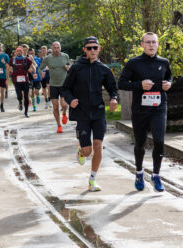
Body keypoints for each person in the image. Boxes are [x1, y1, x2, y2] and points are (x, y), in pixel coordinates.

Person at [62, 36, 118, 191]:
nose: (92, 50)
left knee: (98, 145)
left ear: (99, 49)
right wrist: (71, 99)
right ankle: (81, 151)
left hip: (98, 112)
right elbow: (65, 88)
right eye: (89, 48)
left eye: (95, 47)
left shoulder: (104, 69)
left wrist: (114, 99)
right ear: (84, 50)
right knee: (88, 151)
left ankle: (92, 181)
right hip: (82, 113)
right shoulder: (76, 68)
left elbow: (113, 88)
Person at [118, 32, 172, 192]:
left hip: (158, 108)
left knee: (160, 141)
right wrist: (139, 85)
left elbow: (169, 78)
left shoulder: (164, 62)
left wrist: (169, 84)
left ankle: (156, 175)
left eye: (154, 42)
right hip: (140, 110)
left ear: (157, 44)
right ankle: (139, 172)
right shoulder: (133, 63)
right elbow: (121, 83)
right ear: (142, 44)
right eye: (147, 42)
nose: (151, 45)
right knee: (140, 143)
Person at [39, 41, 70, 133]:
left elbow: (70, 65)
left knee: (64, 104)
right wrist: (42, 73)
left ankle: (64, 113)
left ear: (60, 48)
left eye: (58, 47)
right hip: (53, 85)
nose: (56, 49)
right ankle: (59, 125)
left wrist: (68, 67)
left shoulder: (65, 56)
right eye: (55, 48)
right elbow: (40, 68)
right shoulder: (48, 58)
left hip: (64, 84)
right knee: (55, 107)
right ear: (52, 48)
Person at [9, 46, 32, 118]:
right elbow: (9, 67)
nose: (19, 52)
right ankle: (20, 102)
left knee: (26, 96)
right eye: (17, 51)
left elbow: (31, 66)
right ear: (15, 52)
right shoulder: (12, 60)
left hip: (25, 80)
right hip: (17, 81)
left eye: (20, 51)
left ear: (22, 52)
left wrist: (31, 70)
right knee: (19, 96)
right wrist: (10, 71)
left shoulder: (26, 59)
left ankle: (26, 111)